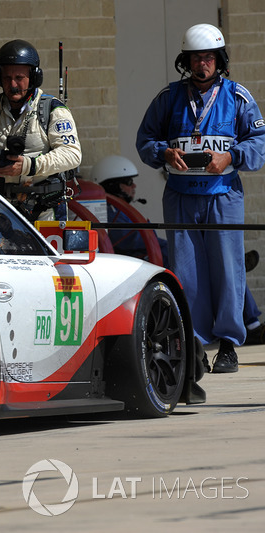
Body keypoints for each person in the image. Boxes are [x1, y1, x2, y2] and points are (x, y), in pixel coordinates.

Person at [136, 23, 265, 373]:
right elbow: (145, 139)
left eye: (208, 57)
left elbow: (259, 142)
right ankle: (191, 343)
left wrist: (232, 156)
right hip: (180, 196)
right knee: (186, 273)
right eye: (196, 57)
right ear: (186, 61)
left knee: (228, 270)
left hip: (223, 196)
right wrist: (164, 153)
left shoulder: (238, 97)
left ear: (219, 60)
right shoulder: (168, 98)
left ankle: (228, 345)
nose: (202, 64)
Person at [95, 154, 265, 346]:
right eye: (127, 182)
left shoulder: (122, 210)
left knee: (230, 271)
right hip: (146, 264)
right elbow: (135, 241)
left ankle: (250, 324)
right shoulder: (109, 214)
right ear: (111, 185)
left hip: (154, 258)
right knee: (224, 268)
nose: (133, 186)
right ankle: (249, 326)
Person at [0, 39, 81, 221]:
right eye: (6, 78)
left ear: (33, 77)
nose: (12, 85)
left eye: (19, 78)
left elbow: (72, 154)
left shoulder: (53, 110)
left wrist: (29, 165)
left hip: (44, 212)